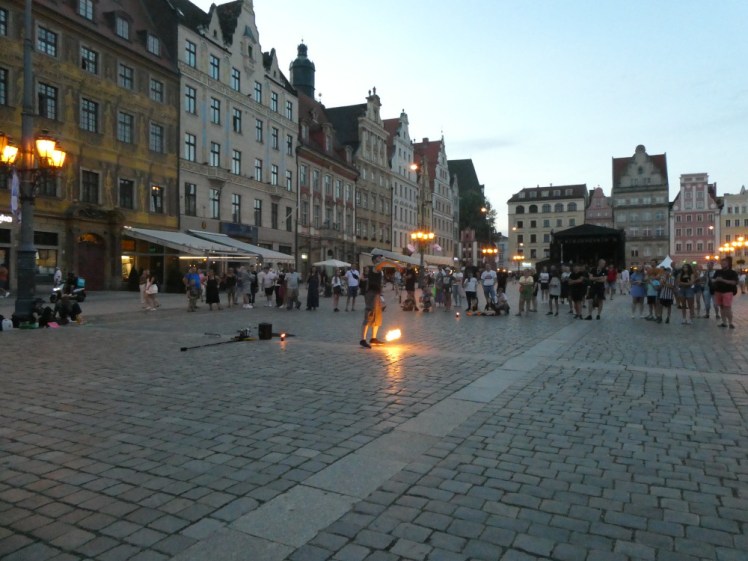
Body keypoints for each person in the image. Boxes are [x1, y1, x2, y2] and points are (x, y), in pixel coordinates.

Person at [360, 255, 386, 348]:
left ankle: (373, 338)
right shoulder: (375, 267)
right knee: (369, 315)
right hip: (371, 294)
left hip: (377, 293)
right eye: (379, 258)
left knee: (377, 316)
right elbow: (384, 263)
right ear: (375, 260)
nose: (381, 260)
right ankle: (363, 339)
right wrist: (395, 264)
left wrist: (381, 295)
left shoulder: (379, 270)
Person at [712, 256, 738, 329]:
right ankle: (724, 322)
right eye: (722, 263)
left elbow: (734, 282)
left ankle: (730, 323)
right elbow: (712, 280)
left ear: (728, 264)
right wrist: (716, 279)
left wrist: (722, 280)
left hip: (728, 292)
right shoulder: (718, 272)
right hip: (718, 291)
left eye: (725, 263)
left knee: (727, 307)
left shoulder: (732, 272)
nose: (723, 265)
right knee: (721, 307)